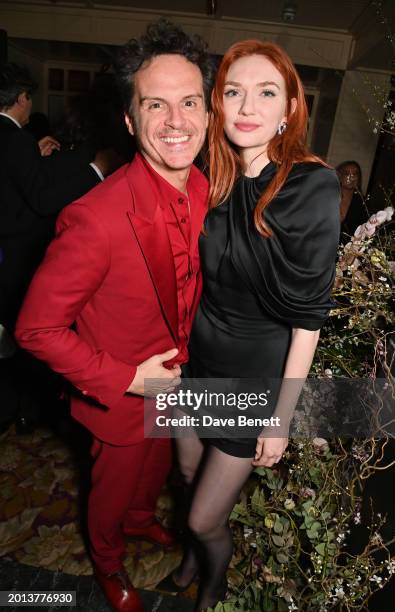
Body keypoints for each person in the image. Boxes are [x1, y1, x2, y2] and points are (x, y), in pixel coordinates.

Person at [16, 19, 214, 612]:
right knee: (111, 489)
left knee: (154, 475)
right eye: (156, 105)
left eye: (189, 103)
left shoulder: (206, 187)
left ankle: (137, 521)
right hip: (123, 392)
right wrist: (126, 378)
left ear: (208, 113)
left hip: (180, 384)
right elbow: (34, 328)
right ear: (130, 121)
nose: (176, 121)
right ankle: (106, 561)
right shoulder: (95, 218)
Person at [162, 40, 340, 611]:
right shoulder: (209, 176)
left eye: (267, 92)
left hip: (255, 377)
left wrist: (281, 417)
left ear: (290, 107)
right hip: (196, 363)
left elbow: (309, 318)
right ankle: (192, 554)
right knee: (186, 474)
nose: (247, 105)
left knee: (204, 513)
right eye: (233, 91)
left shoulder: (311, 185)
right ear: (217, 102)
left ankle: (214, 575)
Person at [0, 62, 106, 433]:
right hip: (15, 254)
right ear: (22, 99)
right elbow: (42, 199)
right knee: (24, 338)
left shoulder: (18, 142)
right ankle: (23, 410)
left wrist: (36, 158)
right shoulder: (15, 139)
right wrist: (95, 170)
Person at [336, 160, 366, 238]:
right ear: (339, 176)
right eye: (346, 173)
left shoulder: (362, 201)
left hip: (348, 247)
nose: (351, 177)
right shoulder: (329, 195)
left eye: (355, 174)